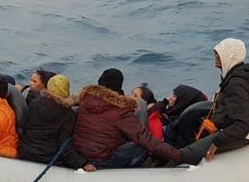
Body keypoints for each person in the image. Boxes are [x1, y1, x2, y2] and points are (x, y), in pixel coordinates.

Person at [64, 68, 196, 170]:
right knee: (141, 147)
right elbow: (143, 137)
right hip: (101, 160)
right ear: (119, 88)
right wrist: (177, 155)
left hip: (79, 156)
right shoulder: (120, 110)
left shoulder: (84, 101)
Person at [19, 74, 76, 164]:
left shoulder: (34, 103)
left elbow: (26, 128)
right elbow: (64, 144)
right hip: (48, 158)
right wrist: (82, 163)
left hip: (25, 152)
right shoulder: (69, 114)